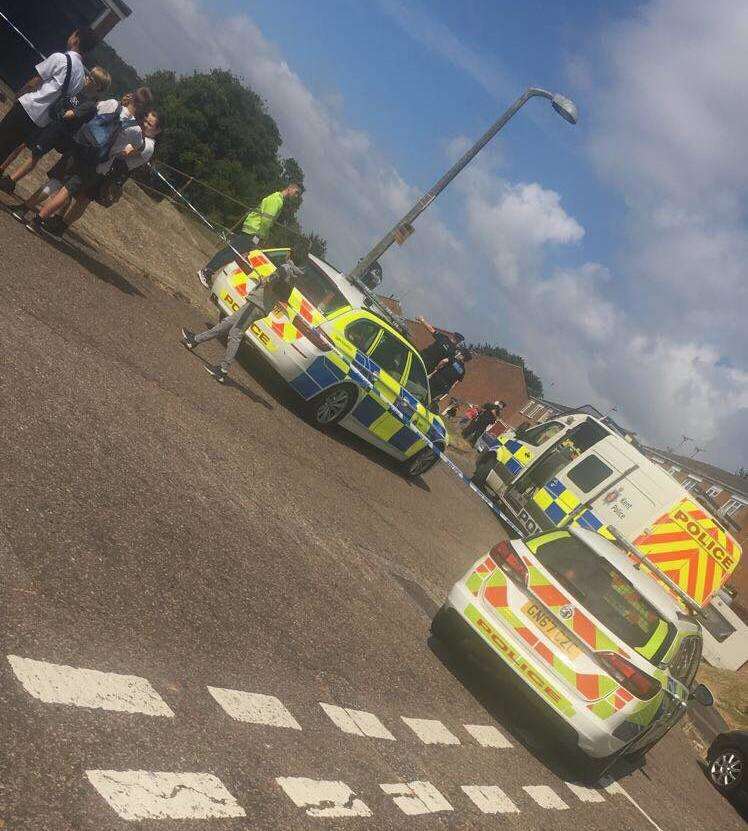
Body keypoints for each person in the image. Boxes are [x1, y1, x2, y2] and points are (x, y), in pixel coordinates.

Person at [22, 108, 163, 238]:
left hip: (111, 172)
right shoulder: (138, 133)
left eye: (150, 124)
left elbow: (125, 152)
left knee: (83, 199)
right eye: (145, 120)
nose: (144, 124)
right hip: (106, 166)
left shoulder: (149, 145)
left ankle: (60, 226)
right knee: (75, 193)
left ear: (158, 130)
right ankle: (58, 220)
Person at [181, 258, 300, 383]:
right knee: (227, 323)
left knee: (235, 333)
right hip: (262, 306)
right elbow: (284, 297)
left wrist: (263, 280)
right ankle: (194, 340)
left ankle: (223, 370)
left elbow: (269, 282)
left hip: (257, 303)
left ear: (293, 255)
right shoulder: (294, 276)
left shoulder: (284, 269)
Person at [0, 67, 111, 196]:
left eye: (92, 79)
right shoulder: (77, 89)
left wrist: (60, 110)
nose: (87, 79)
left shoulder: (90, 104)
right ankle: (2, 167)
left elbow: (70, 114)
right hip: (48, 121)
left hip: (58, 131)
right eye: (89, 76)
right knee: (22, 142)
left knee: (35, 155)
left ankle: (11, 181)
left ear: (98, 87)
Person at [0, 27, 98, 168]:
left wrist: (19, 95)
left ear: (76, 39)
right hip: (42, 120)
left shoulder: (60, 58)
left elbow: (35, 82)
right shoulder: (81, 77)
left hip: (28, 106)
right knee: (8, 147)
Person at [197, 183, 301, 288]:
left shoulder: (276, 198)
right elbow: (266, 221)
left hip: (252, 229)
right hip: (254, 231)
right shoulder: (277, 200)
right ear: (290, 188)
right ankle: (206, 272)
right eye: (296, 193)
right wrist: (262, 237)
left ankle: (208, 272)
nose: (296, 196)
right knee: (230, 253)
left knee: (230, 252)